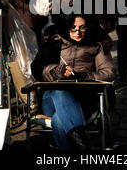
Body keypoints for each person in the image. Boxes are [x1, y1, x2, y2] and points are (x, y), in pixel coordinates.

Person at [31, 13, 116, 150]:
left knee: (59, 121)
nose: (78, 32)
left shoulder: (95, 45)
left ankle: (82, 147)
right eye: (73, 27)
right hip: (52, 97)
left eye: (82, 27)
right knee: (61, 92)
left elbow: (109, 72)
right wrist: (56, 71)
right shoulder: (54, 43)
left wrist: (84, 76)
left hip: (83, 98)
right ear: (66, 26)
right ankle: (85, 147)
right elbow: (36, 68)